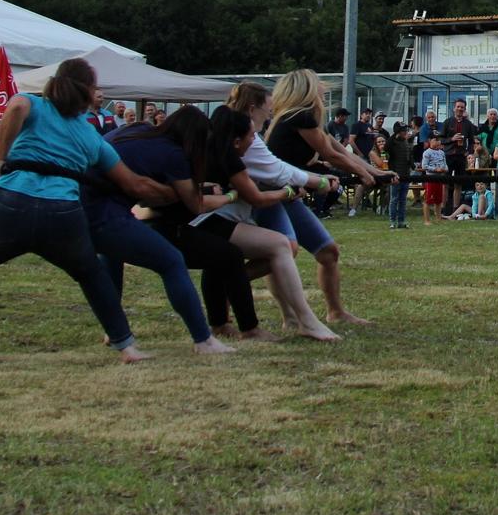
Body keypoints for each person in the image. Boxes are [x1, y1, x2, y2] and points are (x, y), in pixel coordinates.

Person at [0, 58, 175, 364]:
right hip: (62, 212)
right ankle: (126, 347)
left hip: (9, 203)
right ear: (88, 93)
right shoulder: (91, 137)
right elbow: (135, 185)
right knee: (92, 274)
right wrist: (179, 193)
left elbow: (14, 107)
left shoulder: (34, 105)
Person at [88, 107, 254, 356]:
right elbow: (195, 205)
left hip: (75, 204)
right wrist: (230, 196)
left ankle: (115, 333)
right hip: (104, 212)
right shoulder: (173, 154)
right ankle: (203, 341)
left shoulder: (138, 130)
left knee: (111, 256)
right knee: (171, 262)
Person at [190, 103, 339, 342]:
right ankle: (305, 321)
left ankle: (230, 325)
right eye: (252, 136)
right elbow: (256, 198)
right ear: (237, 140)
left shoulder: (213, 149)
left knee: (229, 262)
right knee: (281, 246)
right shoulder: (231, 158)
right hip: (203, 222)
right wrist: (289, 192)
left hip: (202, 221)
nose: (256, 140)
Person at [262, 70, 391, 322]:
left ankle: (335, 312)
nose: (323, 89)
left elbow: (337, 149)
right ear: (307, 89)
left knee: (327, 252)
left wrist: (375, 171)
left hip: (288, 195)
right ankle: (235, 285)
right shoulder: (299, 116)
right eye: (318, 84)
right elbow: (332, 156)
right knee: (276, 254)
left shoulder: (301, 118)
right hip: (272, 195)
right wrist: (364, 175)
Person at [420, 135, 449, 224]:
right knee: (428, 200)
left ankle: (438, 218)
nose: (437, 142)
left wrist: (445, 169)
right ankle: (427, 220)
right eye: (435, 140)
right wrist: (435, 169)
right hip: (431, 178)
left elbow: (445, 164)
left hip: (440, 178)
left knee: (438, 200)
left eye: (438, 140)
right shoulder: (427, 153)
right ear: (430, 141)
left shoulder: (442, 152)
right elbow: (424, 166)